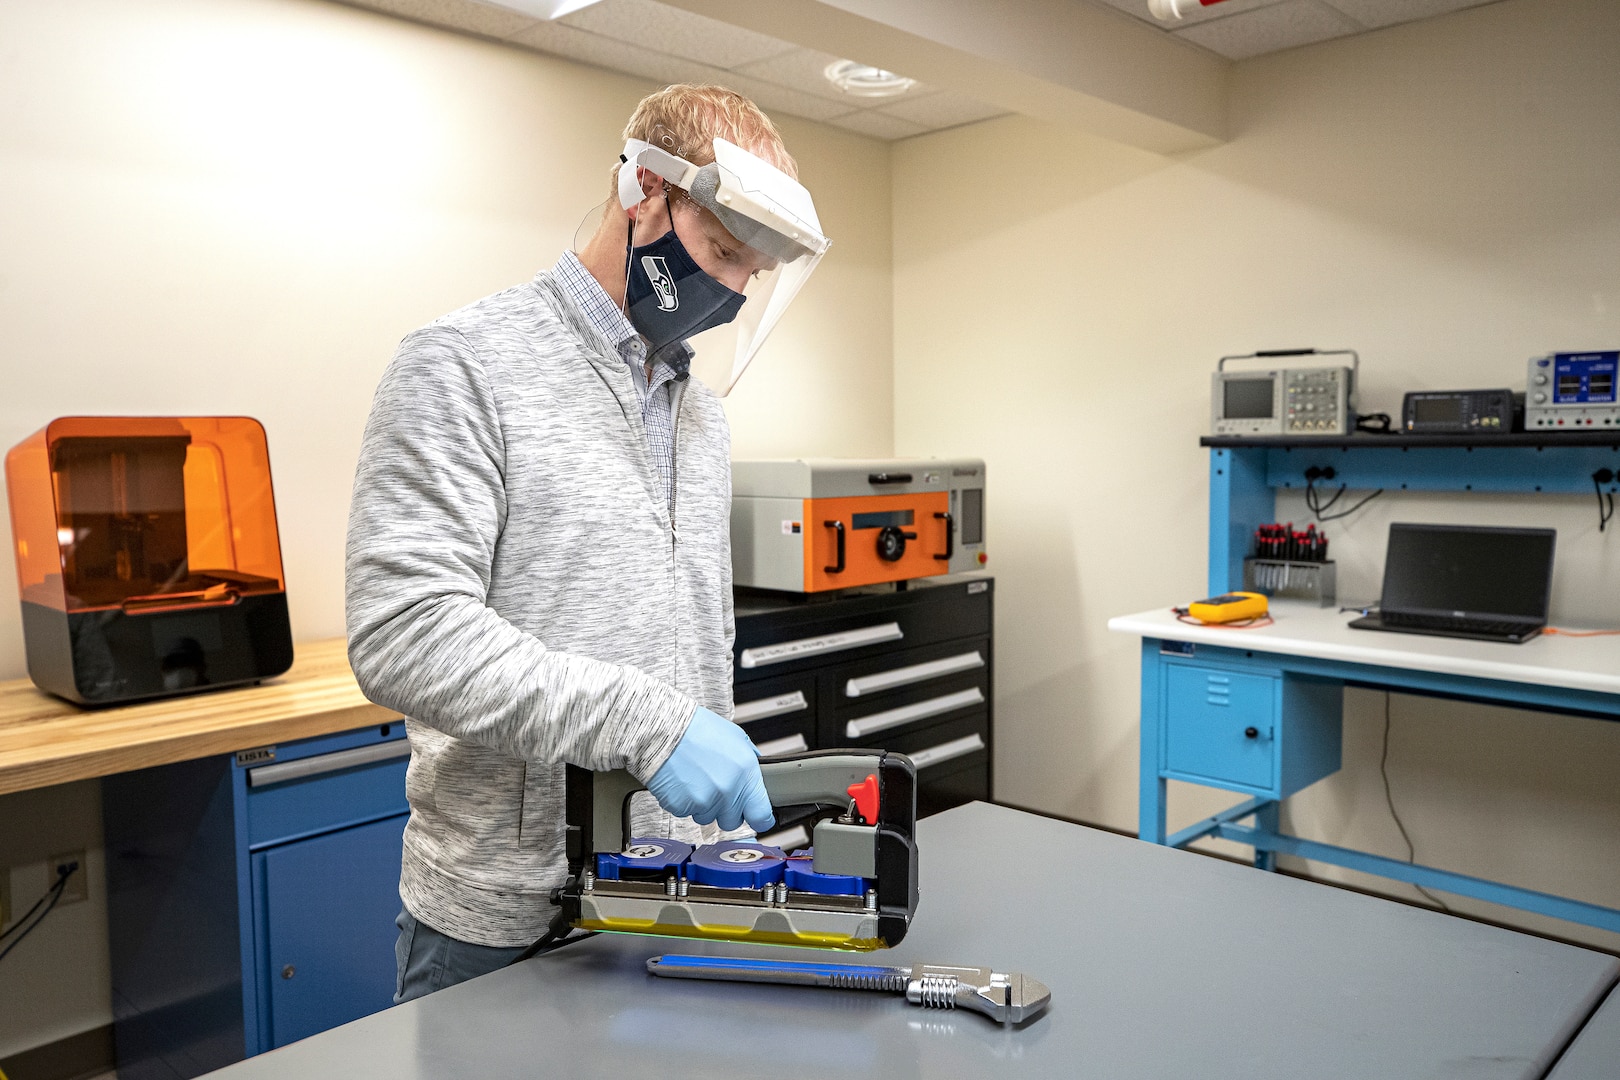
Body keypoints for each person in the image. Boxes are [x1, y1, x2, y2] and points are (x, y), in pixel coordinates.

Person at [344, 83, 830, 1002]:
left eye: (751, 275)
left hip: (676, 895)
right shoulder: (461, 365)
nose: (728, 292)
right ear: (644, 186)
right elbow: (403, 632)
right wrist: (654, 725)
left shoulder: (703, 420)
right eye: (722, 251)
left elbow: (685, 649)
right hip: (505, 918)